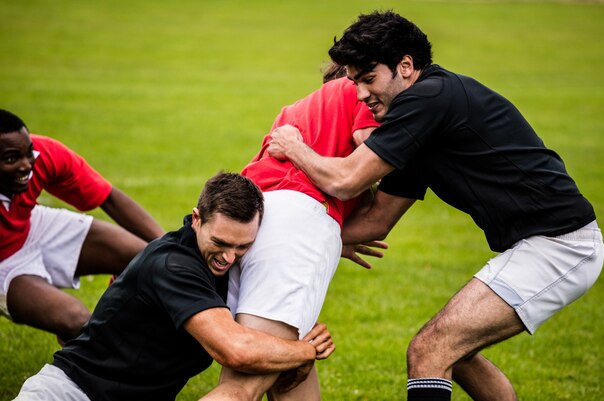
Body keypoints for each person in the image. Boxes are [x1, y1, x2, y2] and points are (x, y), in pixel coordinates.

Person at [267, 10, 604, 401]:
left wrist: (294, 146)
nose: (359, 94)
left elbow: (346, 180)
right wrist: (309, 240)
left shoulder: (431, 97)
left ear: (406, 66)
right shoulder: (416, 126)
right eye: (355, 81)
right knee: (456, 353)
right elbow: (376, 222)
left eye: (368, 79)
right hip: (544, 245)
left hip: (561, 245)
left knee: (430, 350)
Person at [13, 172, 335, 401]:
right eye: (220, 242)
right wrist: (307, 350)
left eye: (242, 247)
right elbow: (236, 351)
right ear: (197, 219)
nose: (228, 257)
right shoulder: (173, 266)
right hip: (70, 393)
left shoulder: (219, 259)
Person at [203, 63, 385, 401]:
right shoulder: (357, 91)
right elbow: (372, 146)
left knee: (288, 363)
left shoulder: (295, 111)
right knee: (243, 384)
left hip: (255, 220)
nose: (369, 96)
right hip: (298, 225)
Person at [0, 109, 164, 344]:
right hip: (4, 261)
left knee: (147, 259)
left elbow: (108, 197)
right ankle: (85, 366)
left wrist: (173, 249)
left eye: (28, 153)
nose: (26, 165)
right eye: (10, 159)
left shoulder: (43, 152)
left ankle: (121, 341)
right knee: (76, 322)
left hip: (31, 223)